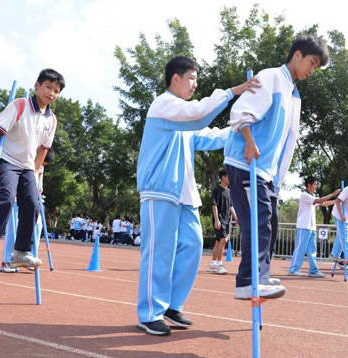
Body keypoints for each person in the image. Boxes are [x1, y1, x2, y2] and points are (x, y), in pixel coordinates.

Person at [136, 55, 259, 336]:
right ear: (175, 79)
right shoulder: (164, 105)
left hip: (184, 194)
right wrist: (232, 91)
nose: (195, 84)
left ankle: (170, 306)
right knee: (159, 252)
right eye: (191, 78)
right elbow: (197, 115)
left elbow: (211, 135)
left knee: (192, 247)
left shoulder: (183, 119)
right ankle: (149, 312)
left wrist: (243, 126)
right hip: (159, 191)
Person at [223, 35, 328, 300]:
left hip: (266, 173)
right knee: (259, 223)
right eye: (312, 63)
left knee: (272, 221)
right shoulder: (270, 77)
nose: (312, 70)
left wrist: (277, 180)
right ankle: (250, 282)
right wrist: (248, 140)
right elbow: (241, 111)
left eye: (316, 67)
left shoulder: (294, 95)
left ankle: (262, 276)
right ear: (297, 55)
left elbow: (287, 142)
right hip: (246, 163)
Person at [0, 68, 64, 268]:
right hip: (8, 161)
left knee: (32, 204)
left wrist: (35, 173)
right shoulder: (20, 105)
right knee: (6, 198)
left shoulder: (51, 120)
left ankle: (21, 251)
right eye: (48, 87)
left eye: (56, 90)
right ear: (37, 86)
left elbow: (44, 148)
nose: (51, 93)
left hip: (28, 167)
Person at [288, 176, 340, 277]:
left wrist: (336, 201)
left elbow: (323, 203)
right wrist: (333, 194)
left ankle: (313, 270)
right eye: (315, 184)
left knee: (312, 249)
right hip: (303, 226)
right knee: (300, 248)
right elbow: (319, 201)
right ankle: (293, 269)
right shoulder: (304, 195)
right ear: (309, 185)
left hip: (311, 227)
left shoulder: (311, 196)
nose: (316, 187)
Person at [208, 168, 238, 275]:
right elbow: (214, 205)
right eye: (229, 176)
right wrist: (216, 220)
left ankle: (212, 264)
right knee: (224, 240)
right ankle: (219, 265)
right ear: (223, 177)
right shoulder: (217, 190)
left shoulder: (229, 192)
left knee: (218, 241)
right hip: (219, 219)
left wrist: (235, 218)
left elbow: (231, 206)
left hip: (226, 220)